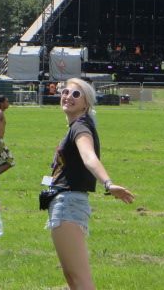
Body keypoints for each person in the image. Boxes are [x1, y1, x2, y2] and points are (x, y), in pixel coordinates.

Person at [44, 78, 134, 289]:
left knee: (81, 281)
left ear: (86, 103)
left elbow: (89, 157)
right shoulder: (77, 125)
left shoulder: (80, 127)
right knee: (73, 278)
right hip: (65, 202)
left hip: (68, 205)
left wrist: (108, 183)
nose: (68, 96)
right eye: (65, 92)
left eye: (76, 94)